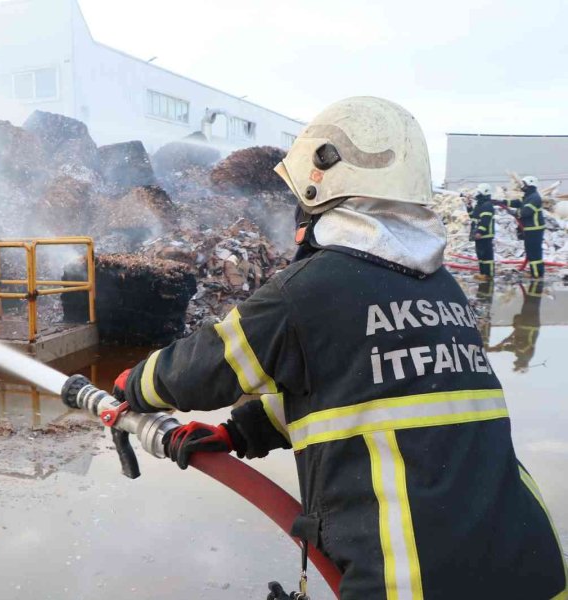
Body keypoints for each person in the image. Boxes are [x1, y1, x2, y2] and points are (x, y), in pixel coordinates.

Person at [112, 97, 567, 599]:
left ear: (322, 183)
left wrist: (133, 385)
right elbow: (369, 393)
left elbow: (206, 365)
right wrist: (239, 433)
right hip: (534, 567)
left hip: (414, 583)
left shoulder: (310, 290)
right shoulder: (442, 290)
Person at [489, 280, 545, 372]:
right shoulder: (526, 356)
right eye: (516, 366)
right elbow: (522, 346)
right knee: (532, 303)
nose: (514, 363)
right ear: (521, 365)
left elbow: (509, 348)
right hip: (530, 324)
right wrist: (510, 341)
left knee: (529, 303)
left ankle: (533, 283)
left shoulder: (521, 355)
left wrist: (495, 349)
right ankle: (537, 281)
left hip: (525, 325)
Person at [505, 175, 546, 278]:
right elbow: (518, 203)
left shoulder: (535, 198)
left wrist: (514, 212)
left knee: (534, 254)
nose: (523, 186)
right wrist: (503, 202)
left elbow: (526, 212)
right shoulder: (529, 196)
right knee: (531, 253)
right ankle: (535, 273)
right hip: (529, 229)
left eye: (524, 184)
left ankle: (537, 275)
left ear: (530, 185)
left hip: (534, 230)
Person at [470, 183, 496, 281]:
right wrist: (468, 206)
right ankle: (483, 273)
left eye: (478, 192)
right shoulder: (479, 205)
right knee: (481, 255)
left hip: (485, 235)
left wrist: (480, 232)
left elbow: (485, 220)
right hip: (479, 235)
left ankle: (488, 274)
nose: (476, 194)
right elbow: (472, 217)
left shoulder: (487, 205)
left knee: (486, 256)